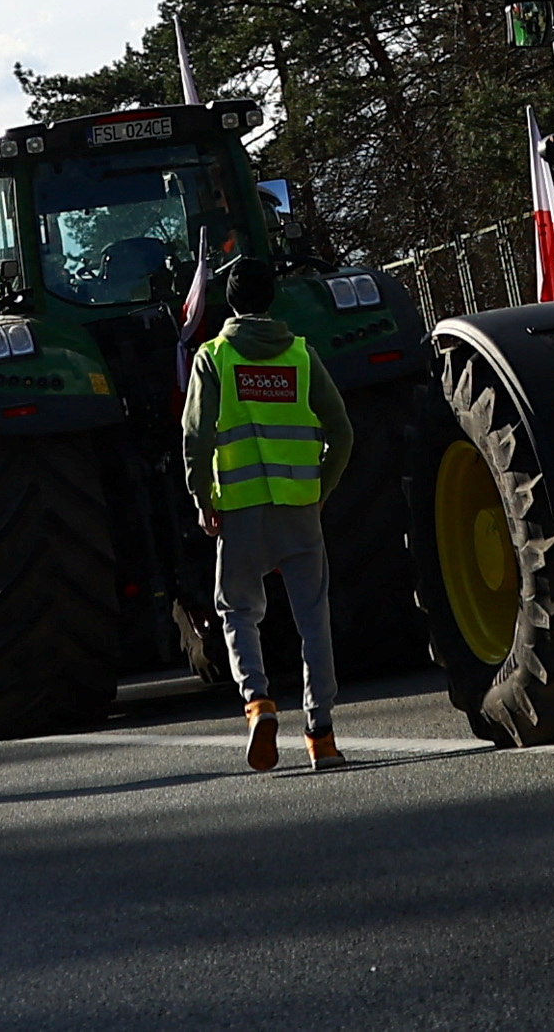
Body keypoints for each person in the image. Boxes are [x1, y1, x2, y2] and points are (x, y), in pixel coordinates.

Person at [190, 265, 353, 770]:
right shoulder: (301, 355)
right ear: (272, 299)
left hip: (240, 511)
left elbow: (197, 436)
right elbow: (342, 432)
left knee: (238, 611)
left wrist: (202, 498)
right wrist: (322, 489)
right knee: (313, 618)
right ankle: (321, 736)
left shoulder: (213, 357)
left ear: (230, 302)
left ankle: (258, 702)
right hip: (300, 509)